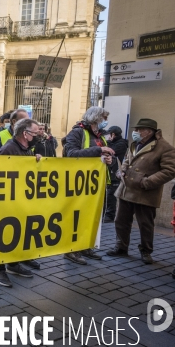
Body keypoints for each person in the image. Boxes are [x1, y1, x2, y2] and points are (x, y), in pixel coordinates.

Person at [106, 119, 175, 264]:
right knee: (121, 220)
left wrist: (147, 181)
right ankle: (121, 247)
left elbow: (170, 170)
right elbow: (127, 159)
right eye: (135, 129)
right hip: (127, 189)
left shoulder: (164, 147)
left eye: (139, 129)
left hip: (145, 192)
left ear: (149, 131)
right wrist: (122, 170)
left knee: (145, 224)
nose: (135, 132)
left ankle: (146, 250)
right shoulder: (135, 143)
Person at [0, 118, 43, 288]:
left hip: (18, 201)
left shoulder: (25, 149)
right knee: (1, 236)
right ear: (25, 134)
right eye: (35, 133)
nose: (38, 135)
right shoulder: (8, 149)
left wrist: (34, 161)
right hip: (5, 202)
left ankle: (13, 264)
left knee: (15, 234)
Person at [62, 106, 114, 265]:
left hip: (94, 185)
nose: (104, 122)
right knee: (76, 218)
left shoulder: (99, 135)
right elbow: (71, 154)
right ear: (95, 118)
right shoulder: (77, 132)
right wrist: (99, 150)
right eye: (103, 118)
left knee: (89, 217)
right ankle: (71, 250)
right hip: (78, 183)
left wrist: (108, 160)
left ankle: (85, 246)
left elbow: (101, 156)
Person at [104, 126, 128, 223]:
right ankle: (107, 213)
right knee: (108, 193)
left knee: (111, 194)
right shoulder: (114, 143)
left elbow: (111, 151)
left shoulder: (121, 144)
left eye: (109, 134)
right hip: (110, 172)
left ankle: (110, 215)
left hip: (115, 172)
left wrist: (107, 144)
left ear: (113, 134)